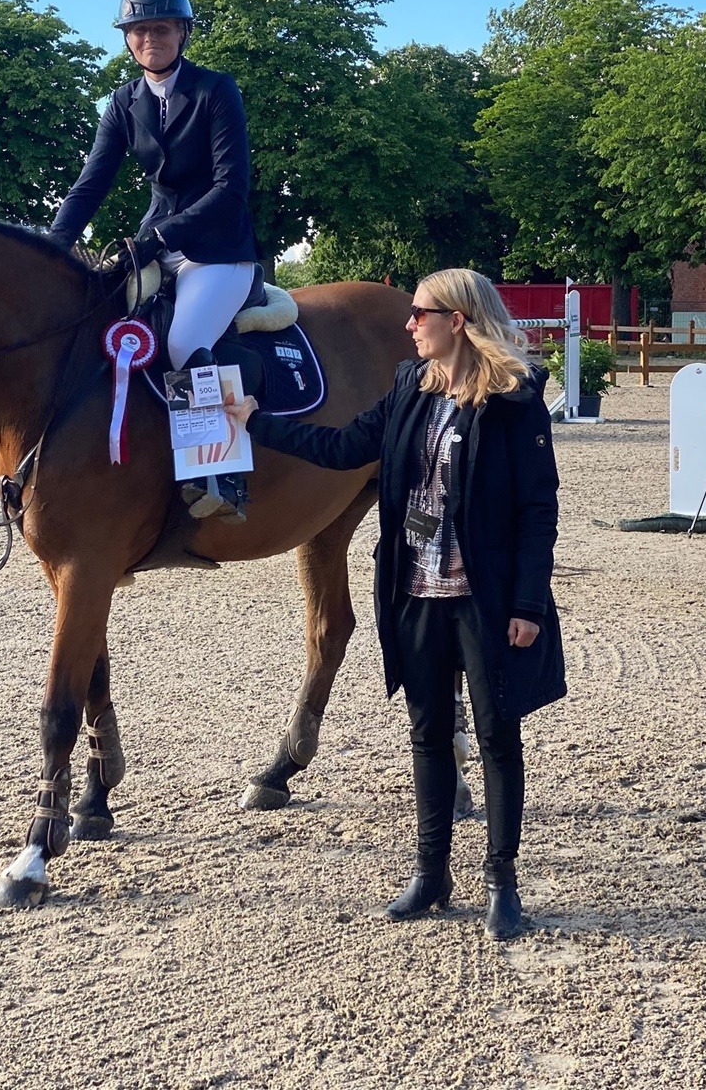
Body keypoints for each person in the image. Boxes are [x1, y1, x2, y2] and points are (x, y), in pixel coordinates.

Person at [227, 268, 565, 939]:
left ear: (457, 321)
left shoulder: (515, 400)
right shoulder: (410, 385)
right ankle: (430, 875)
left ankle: (502, 883)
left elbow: (538, 508)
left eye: (420, 313)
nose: (408, 324)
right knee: (428, 734)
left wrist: (528, 604)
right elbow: (342, 446)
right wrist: (256, 423)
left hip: (486, 597)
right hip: (416, 591)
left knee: (497, 737)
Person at [51, 0, 260, 521]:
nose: (150, 39)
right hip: (155, 244)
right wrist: (52, 246)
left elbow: (230, 188)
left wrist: (160, 238)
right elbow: (90, 185)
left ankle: (221, 474)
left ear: (182, 33)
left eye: (162, 29)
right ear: (127, 38)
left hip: (218, 250)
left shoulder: (216, 90)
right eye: (139, 30)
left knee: (184, 339)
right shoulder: (123, 103)